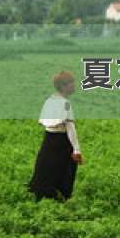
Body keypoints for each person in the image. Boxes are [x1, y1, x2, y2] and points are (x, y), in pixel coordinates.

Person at [28, 71, 84, 201]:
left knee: (46, 166)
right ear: (64, 86)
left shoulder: (50, 100)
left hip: (48, 139)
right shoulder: (65, 104)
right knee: (65, 169)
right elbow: (70, 128)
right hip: (62, 141)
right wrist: (77, 149)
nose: (74, 86)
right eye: (71, 83)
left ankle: (42, 193)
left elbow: (46, 123)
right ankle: (61, 196)